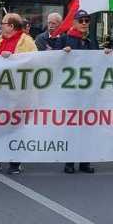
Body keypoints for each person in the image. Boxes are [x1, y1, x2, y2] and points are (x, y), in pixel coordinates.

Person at [44, 10, 99, 174]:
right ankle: (69, 162)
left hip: (87, 93)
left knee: (87, 128)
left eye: (86, 20)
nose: (84, 23)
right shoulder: (64, 39)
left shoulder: (91, 40)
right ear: (74, 22)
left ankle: (84, 162)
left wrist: (107, 54)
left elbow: (98, 62)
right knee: (71, 128)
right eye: (81, 20)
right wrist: (62, 53)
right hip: (70, 94)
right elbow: (52, 60)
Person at [0, 13, 37, 175]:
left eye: (4, 23)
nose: (1, 26)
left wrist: (14, 58)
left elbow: (34, 61)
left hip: (18, 95)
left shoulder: (27, 41)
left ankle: (15, 161)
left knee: (16, 128)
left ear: (11, 26)